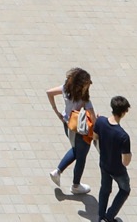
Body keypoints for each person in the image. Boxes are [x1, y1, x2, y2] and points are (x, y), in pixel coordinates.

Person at [47, 66, 97, 195]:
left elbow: (49, 92)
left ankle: (57, 172)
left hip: (67, 124)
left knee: (76, 150)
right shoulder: (84, 99)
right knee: (81, 157)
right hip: (79, 130)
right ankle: (75, 185)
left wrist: (57, 112)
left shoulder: (65, 89)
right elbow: (92, 118)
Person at [94, 96, 133, 221]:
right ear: (123, 112)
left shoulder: (100, 122)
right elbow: (125, 162)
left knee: (105, 189)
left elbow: (95, 137)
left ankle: (100, 215)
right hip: (118, 170)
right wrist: (130, 155)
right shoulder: (123, 136)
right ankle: (109, 217)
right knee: (124, 190)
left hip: (104, 164)